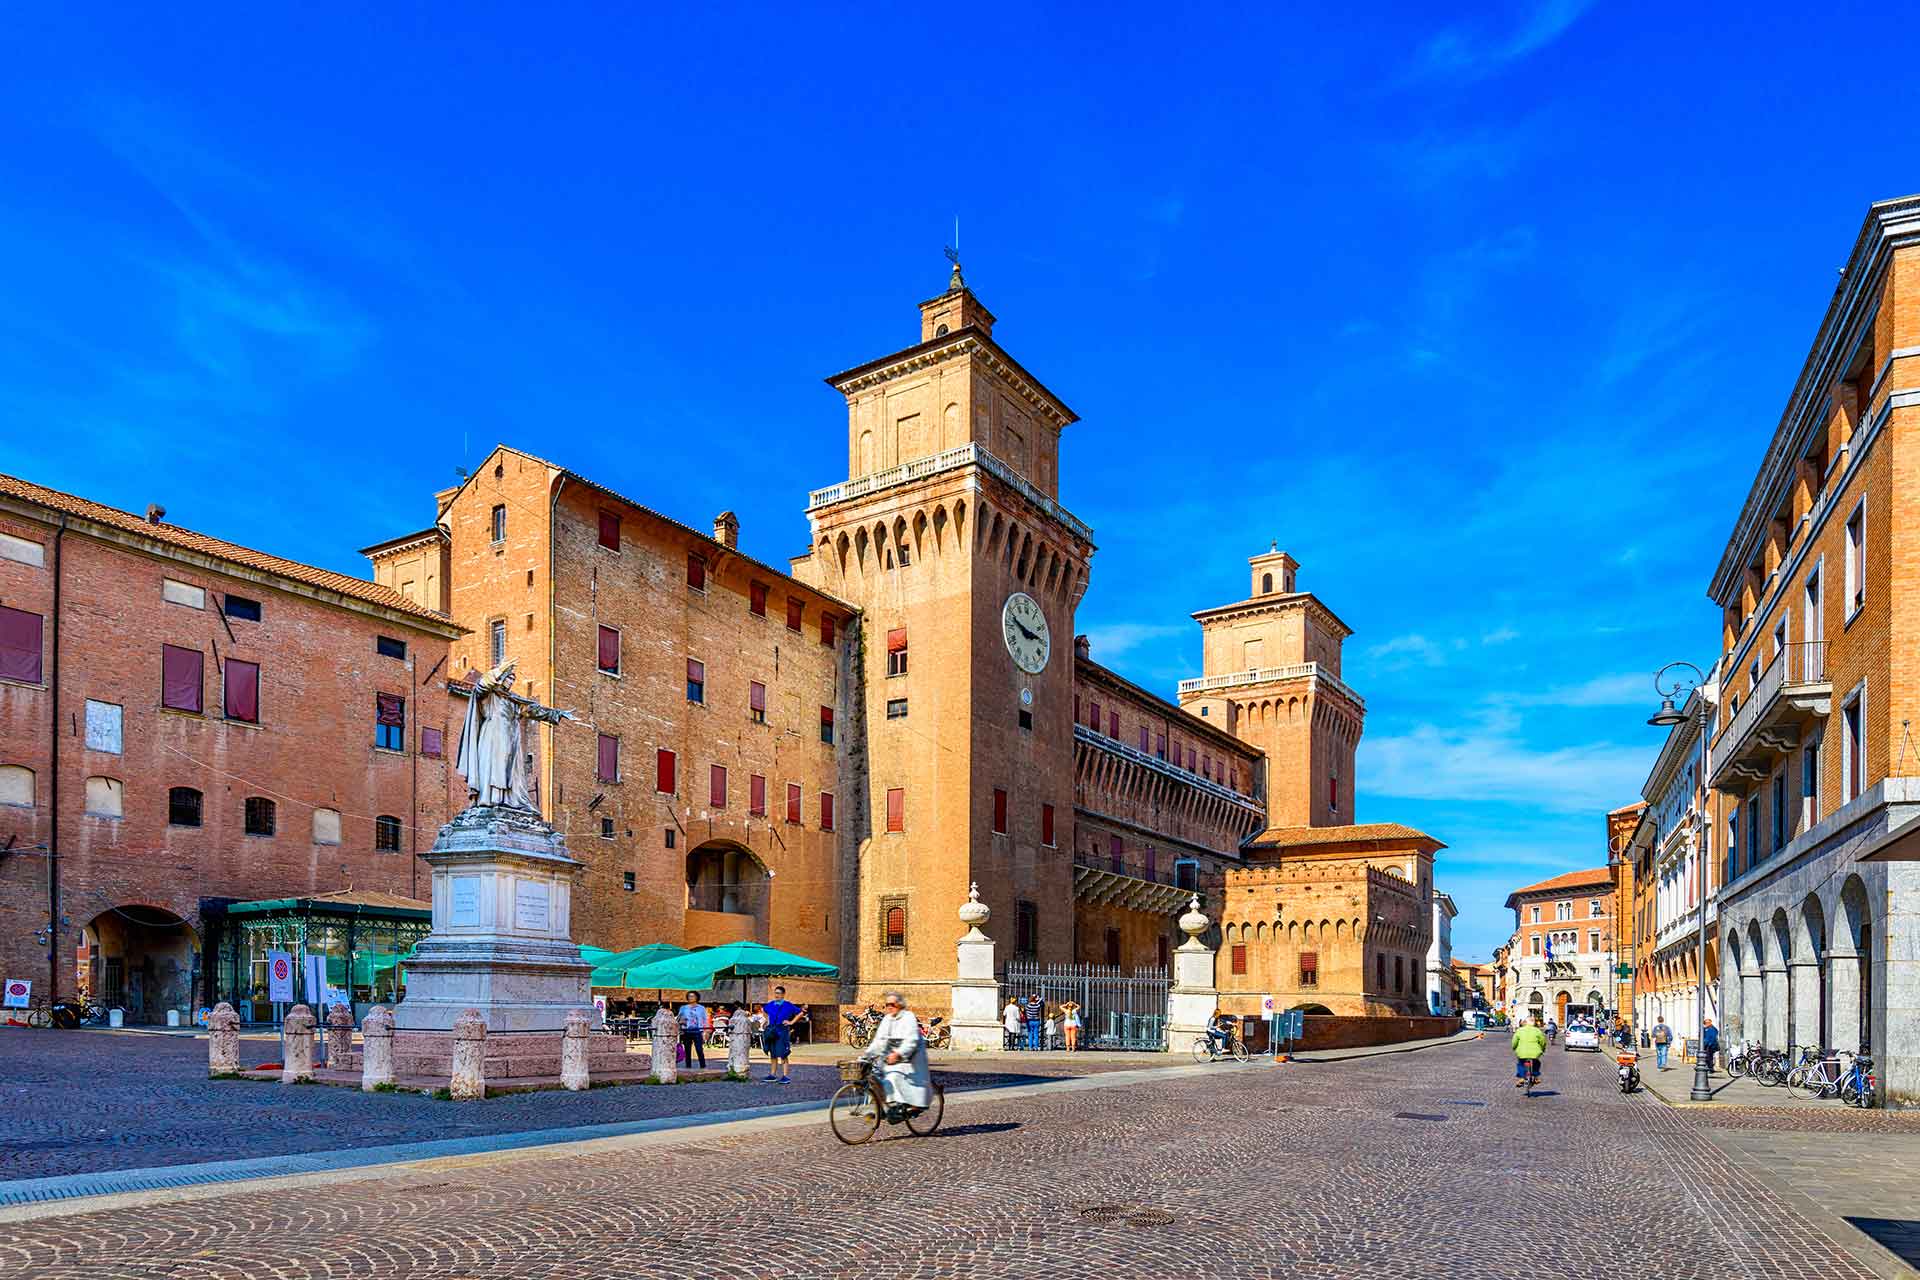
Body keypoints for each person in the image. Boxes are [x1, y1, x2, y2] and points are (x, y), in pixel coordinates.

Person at [860, 990, 931, 1118]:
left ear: (900, 1005)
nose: (889, 1007)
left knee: (894, 1077)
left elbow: (912, 1040)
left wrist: (899, 1054)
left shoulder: (908, 1017)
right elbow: (879, 1041)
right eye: (887, 1005)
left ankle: (904, 1108)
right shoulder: (887, 1019)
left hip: (911, 1056)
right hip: (892, 1057)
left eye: (892, 1004)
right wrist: (866, 1055)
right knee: (875, 1077)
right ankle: (884, 1106)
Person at [762, 985, 804, 1085]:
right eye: (775, 993)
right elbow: (764, 1010)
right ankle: (772, 1074)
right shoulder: (771, 1004)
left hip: (782, 1030)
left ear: (783, 994)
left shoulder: (788, 1005)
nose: (777, 995)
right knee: (773, 1053)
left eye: (779, 993)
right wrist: (767, 1020)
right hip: (772, 1030)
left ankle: (785, 1076)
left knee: (783, 1053)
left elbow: (800, 1013)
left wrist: (791, 1022)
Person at [1511, 1017, 1547, 1089]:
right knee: (1537, 1063)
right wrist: (1542, 1049)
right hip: (1535, 1053)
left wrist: (1514, 1048)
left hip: (1522, 1052)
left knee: (1521, 1063)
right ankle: (1536, 1077)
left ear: (1525, 1022)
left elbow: (1514, 1042)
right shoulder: (1537, 1031)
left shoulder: (1519, 1030)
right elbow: (1543, 1042)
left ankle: (1521, 1077)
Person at [677, 992, 710, 1068]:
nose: (690, 998)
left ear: (697, 998)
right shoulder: (683, 1008)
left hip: (698, 1031)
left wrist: (706, 1031)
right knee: (687, 1050)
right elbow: (678, 1018)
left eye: (692, 996)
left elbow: (705, 1019)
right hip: (687, 1030)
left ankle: (703, 1065)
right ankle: (688, 1066)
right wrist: (681, 1022)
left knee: (699, 1049)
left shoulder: (701, 1008)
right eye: (689, 996)